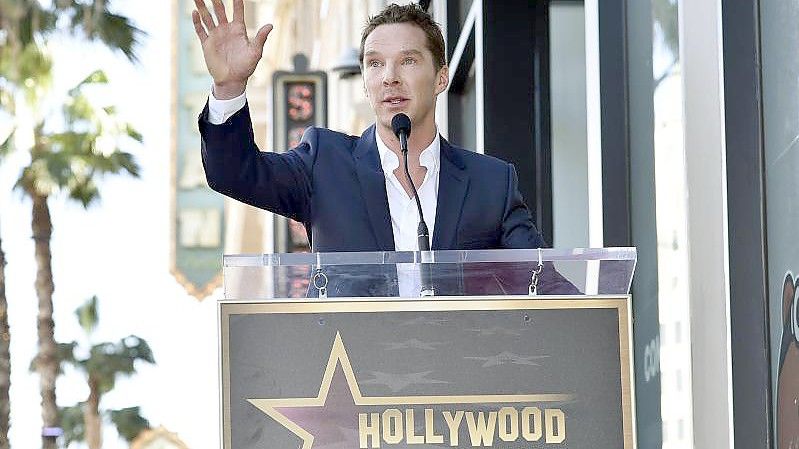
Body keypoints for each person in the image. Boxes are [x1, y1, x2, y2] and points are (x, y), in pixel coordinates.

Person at [192, 0, 577, 296]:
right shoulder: (324, 162)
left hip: (459, 392)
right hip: (349, 386)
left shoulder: (491, 182)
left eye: (407, 61)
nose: (389, 78)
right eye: (375, 64)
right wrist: (228, 88)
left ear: (441, 77)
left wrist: (606, 322)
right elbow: (233, 172)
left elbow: (542, 285)